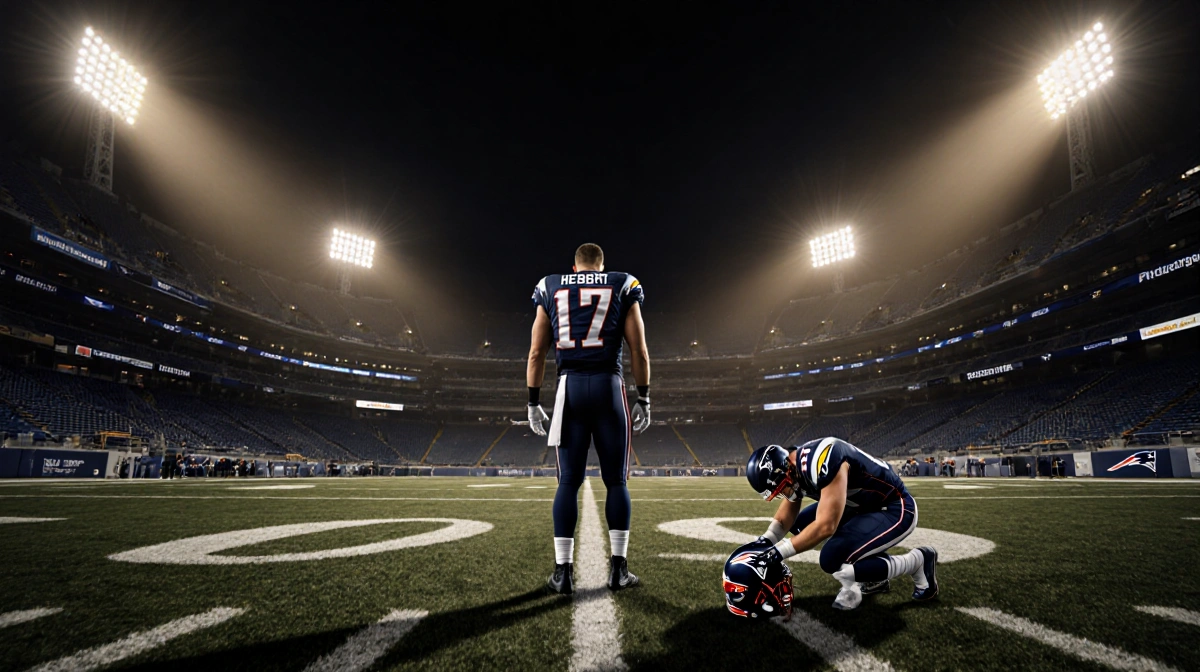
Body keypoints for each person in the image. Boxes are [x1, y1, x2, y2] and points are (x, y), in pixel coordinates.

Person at [527, 243, 651, 594]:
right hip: (610, 387)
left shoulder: (550, 285)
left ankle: (563, 573)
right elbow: (639, 349)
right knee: (617, 482)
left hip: (569, 389)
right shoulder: (622, 283)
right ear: (601, 265)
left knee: (568, 482)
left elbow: (537, 351)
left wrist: (533, 402)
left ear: (574, 266)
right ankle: (618, 570)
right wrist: (643, 397)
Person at [745, 439, 939, 610]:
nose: (784, 494)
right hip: (860, 505)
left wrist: (776, 553)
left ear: (786, 470)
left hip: (893, 506)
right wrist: (765, 541)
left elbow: (825, 526)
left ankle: (917, 562)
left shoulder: (822, 459)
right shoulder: (794, 467)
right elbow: (784, 520)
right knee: (800, 525)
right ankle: (874, 578)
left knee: (833, 560)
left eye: (781, 488)